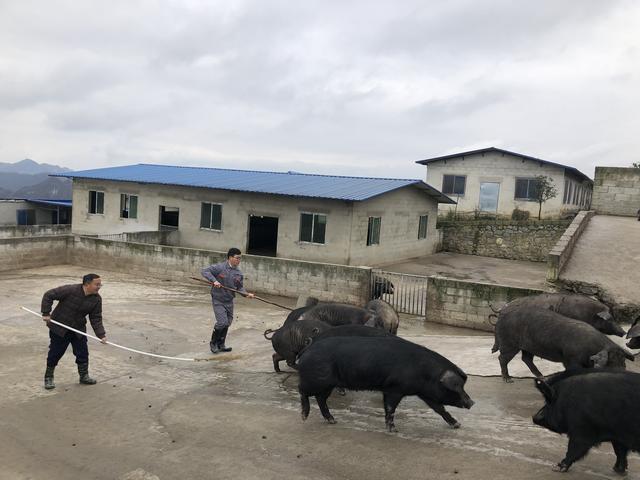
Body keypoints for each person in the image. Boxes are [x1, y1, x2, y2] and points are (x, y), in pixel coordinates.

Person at [41, 273, 107, 390]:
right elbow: (48, 295)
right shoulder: (70, 290)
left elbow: (96, 318)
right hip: (59, 328)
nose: (99, 286)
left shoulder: (96, 299)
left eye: (100, 284)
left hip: (78, 329)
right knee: (55, 353)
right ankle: (48, 377)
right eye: (97, 284)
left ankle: (84, 376)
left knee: (82, 353)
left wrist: (101, 335)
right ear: (87, 284)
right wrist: (46, 313)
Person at [201, 248, 254, 353]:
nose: (239, 260)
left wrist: (246, 294)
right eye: (237, 258)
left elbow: (239, 288)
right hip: (218, 299)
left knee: (228, 323)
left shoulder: (238, 273)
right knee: (222, 322)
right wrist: (214, 281)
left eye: (240, 258)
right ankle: (213, 343)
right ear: (230, 257)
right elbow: (204, 271)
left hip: (229, 300)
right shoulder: (219, 268)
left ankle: (221, 345)